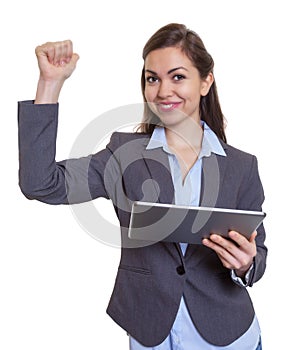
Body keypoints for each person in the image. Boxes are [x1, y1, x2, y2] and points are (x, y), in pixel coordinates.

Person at [18, 23, 266, 349]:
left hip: (228, 335)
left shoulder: (241, 165)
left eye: (178, 77)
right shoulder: (124, 154)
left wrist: (246, 263)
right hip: (152, 334)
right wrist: (49, 84)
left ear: (206, 81)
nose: (163, 91)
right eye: (153, 78)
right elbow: (42, 184)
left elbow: (258, 256)